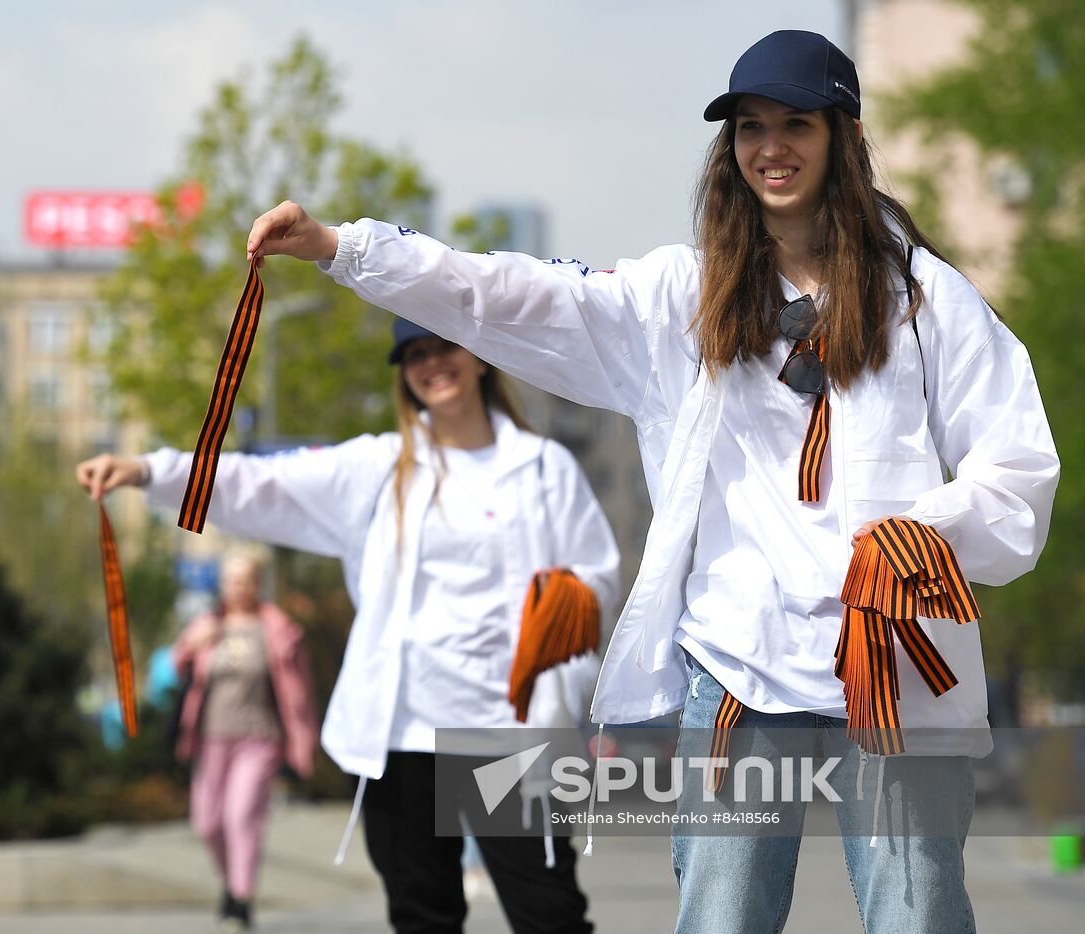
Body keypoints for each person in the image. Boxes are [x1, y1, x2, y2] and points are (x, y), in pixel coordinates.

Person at [242, 28, 1059, 934]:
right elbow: (507, 293)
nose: (771, 147)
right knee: (721, 916)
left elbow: (1018, 463)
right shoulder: (682, 299)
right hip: (743, 665)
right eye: (750, 127)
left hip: (892, 663)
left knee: (920, 916)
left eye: (796, 123)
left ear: (843, 137)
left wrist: (928, 535)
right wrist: (343, 249)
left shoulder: (925, 301)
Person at [77, 319, 621, 934]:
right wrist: (151, 472)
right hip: (402, 734)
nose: (431, 364)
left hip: (504, 735)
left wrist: (562, 651)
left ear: (480, 358)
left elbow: (596, 579)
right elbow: (262, 482)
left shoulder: (543, 468)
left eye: (445, 347)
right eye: (414, 354)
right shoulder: (379, 468)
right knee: (422, 918)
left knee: (549, 917)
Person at [172, 549, 318, 932]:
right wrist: (193, 645)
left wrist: (303, 743)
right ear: (222, 584)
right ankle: (232, 885)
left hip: (259, 737)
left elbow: (300, 692)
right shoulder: (207, 624)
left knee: (241, 816)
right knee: (207, 822)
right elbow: (175, 664)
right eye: (231, 580)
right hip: (210, 739)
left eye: (245, 580)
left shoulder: (277, 628)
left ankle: (242, 899)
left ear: (257, 584)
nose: (238, 587)